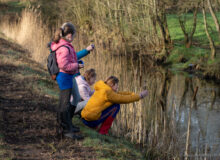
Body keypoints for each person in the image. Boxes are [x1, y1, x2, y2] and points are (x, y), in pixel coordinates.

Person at [50, 22, 94, 139]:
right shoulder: (64, 47)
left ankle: (67, 124)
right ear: (69, 35)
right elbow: (63, 65)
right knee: (64, 104)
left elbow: (72, 57)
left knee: (73, 98)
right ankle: (65, 130)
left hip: (69, 76)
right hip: (65, 77)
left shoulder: (65, 44)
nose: (74, 37)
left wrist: (83, 54)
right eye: (74, 35)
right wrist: (77, 66)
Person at [81, 76, 148, 135]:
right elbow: (122, 99)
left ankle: (98, 127)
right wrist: (140, 96)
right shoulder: (108, 93)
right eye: (117, 85)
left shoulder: (102, 88)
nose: (118, 87)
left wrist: (133, 94)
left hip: (84, 118)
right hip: (90, 122)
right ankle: (103, 131)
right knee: (116, 106)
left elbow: (118, 94)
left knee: (112, 104)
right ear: (112, 85)